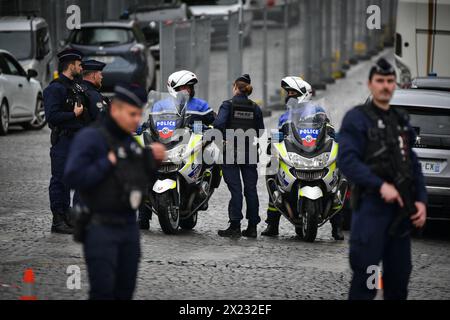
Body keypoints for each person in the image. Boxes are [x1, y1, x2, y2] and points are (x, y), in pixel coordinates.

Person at [63, 83, 166, 300]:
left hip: (129, 227)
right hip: (101, 228)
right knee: (103, 293)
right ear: (116, 109)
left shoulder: (130, 142)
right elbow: (73, 177)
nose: (137, 120)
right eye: (132, 114)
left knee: (124, 292)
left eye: (139, 114)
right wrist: (107, 162)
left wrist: (151, 161)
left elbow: (141, 180)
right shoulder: (91, 138)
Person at [337, 58, 427, 300]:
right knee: (366, 282)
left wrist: (421, 201)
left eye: (389, 81)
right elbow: (347, 161)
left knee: (398, 283)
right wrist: (380, 186)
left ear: (395, 84)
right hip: (371, 212)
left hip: (400, 215)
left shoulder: (400, 120)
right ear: (370, 84)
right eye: (380, 81)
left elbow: (413, 164)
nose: (385, 86)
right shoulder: (356, 119)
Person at [261, 76, 344, 240]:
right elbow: (281, 136)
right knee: (272, 170)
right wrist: (274, 143)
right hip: (296, 155)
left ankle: (337, 227)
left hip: (316, 154)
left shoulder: (318, 111)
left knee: (338, 181)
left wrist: (336, 140)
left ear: (303, 94)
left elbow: (329, 131)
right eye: (288, 92)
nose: (289, 96)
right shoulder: (286, 116)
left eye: (292, 93)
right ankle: (272, 224)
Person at [137, 70, 215, 230]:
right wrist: (143, 127)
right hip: (164, 146)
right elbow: (151, 124)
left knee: (212, 158)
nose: (188, 90)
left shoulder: (201, 105)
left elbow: (215, 121)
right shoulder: (159, 105)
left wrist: (209, 129)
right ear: (174, 88)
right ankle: (143, 218)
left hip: (188, 146)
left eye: (190, 87)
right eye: (184, 87)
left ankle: (205, 187)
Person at [43, 48, 90, 234]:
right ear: (71, 65)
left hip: (77, 141)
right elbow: (52, 116)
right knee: (60, 180)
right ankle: (58, 219)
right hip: (63, 140)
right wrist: (73, 114)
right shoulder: (55, 89)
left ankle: (69, 216)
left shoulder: (76, 86)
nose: (81, 67)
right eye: (79, 65)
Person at [214, 74, 265, 238]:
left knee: (236, 190)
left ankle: (235, 225)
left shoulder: (227, 105)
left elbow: (218, 125)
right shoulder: (255, 107)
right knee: (251, 190)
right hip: (249, 152)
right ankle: (252, 227)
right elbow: (260, 131)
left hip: (231, 152)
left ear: (235, 87)